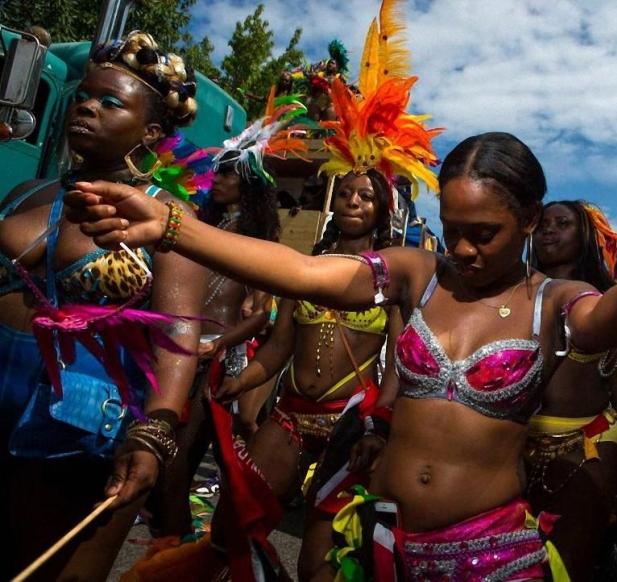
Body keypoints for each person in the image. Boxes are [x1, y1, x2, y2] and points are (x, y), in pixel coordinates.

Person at [66, 127, 617, 581]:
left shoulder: (555, 300)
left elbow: (604, 324)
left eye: (484, 233)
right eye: (453, 231)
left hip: (490, 558)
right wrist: (174, 226)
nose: (465, 250)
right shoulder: (418, 273)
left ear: (531, 219)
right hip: (382, 541)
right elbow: (300, 273)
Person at [0, 31, 206, 581]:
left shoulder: (168, 217)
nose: (87, 106)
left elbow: (180, 341)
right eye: (84, 96)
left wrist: (153, 437)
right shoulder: (25, 193)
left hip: (78, 427)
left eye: (111, 102)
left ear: (151, 131)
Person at [212, 167, 403, 579]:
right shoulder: (302, 269)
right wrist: (240, 382)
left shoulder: (393, 280)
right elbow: (279, 346)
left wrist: (379, 425)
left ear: (382, 210)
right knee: (234, 521)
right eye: (346, 194)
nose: (353, 201)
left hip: (350, 424)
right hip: (290, 416)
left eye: (366, 197)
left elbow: (400, 365)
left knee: (319, 557)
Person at [145, 146, 282, 539]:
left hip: (214, 360)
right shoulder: (199, 226)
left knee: (177, 466)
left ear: (248, 185)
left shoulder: (259, 239)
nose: (216, 181)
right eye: (217, 174)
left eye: (228, 175)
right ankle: (174, 551)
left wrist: (218, 344)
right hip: (174, 349)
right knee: (153, 454)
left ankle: (178, 557)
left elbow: (259, 314)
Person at [525, 200, 617, 581]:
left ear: (586, 238)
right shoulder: (511, 298)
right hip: (511, 449)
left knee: (567, 567)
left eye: (562, 223)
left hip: (587, 446)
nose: (548, 230)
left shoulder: (612, 306)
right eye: (543, 223)